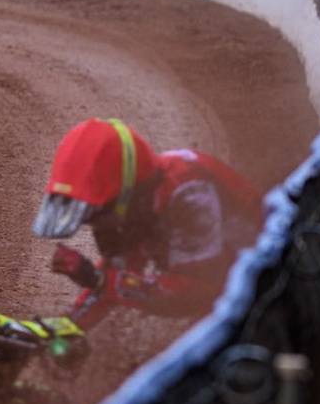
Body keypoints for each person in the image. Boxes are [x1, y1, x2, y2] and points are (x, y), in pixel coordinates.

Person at [32, 118, 263, 326]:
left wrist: (98, 279)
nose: (95, 225)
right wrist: (68, 328)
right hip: (233, 291)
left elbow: (198, 292)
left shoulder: (190, 194)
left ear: (125, 196)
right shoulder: (139, 199)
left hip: (265, 292)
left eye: (98, 214)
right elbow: (119, 273)